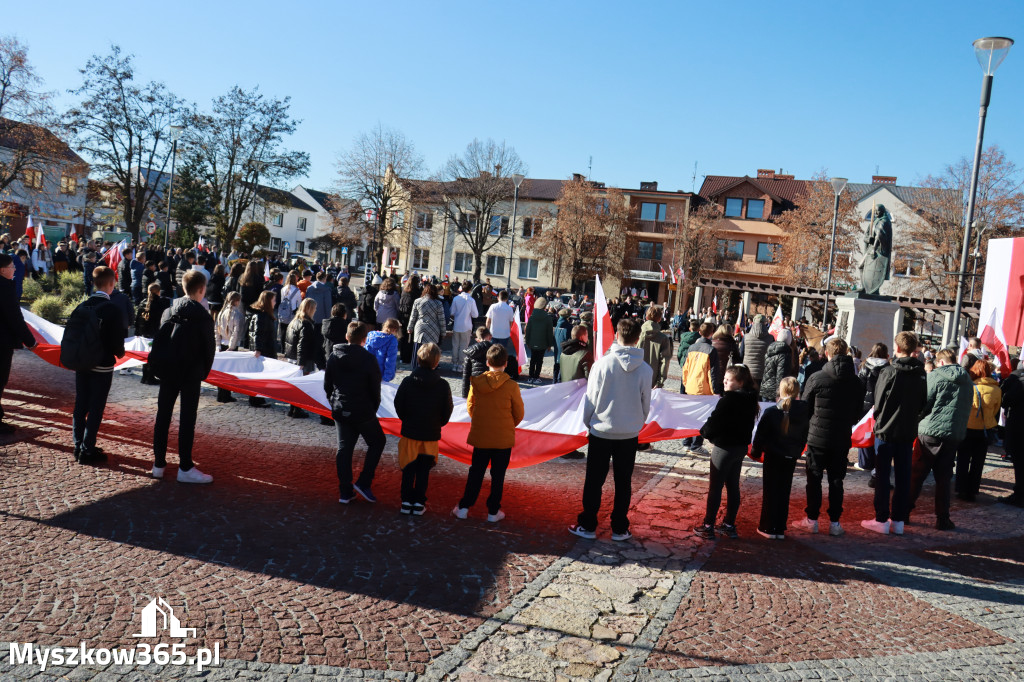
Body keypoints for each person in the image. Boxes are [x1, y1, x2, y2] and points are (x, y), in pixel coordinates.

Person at [568, 319, 652, 541]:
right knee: (623, 482)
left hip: (602, 430)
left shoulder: (602, 365)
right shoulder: (645, 369)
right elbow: (646, 404)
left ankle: (588, 525)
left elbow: (591, 399)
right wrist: (636, 423)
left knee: (594, 480)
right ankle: (620, 527)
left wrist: (589, 423)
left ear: (617, 336)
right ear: (637, 339)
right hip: (629, 433)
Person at [151, 269, 216, 483]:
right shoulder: (202, 317)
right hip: (190, 372)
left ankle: (158, 464)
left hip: (168, 370)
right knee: (187, 419)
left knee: (163, 415)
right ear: (202, 290)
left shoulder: (169, 311)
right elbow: (209, 349)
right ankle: (185, 467)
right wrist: (202, 372)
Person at [795, 337, 862, 536]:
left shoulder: (817, 377)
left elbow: (805, 407)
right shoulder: (856, 382)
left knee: (814, 479)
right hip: (841, 437)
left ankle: (812, 519)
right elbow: (857, 413)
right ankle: (835, 523)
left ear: (828, 354)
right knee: (836, 480)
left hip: (817, 436)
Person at [861, 332, 927, 536]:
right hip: (907, 431)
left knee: (882, 476)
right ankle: (898, 519)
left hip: (886, 430)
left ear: (897, 348)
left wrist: (881, 419)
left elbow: (878, 403)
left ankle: (881, 518)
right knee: (903, 476)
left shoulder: (888, 372)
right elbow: (923, 403)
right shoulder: (921, 373)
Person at [453, 344, 524, 522]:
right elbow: (519, 413)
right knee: (498, 477)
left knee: (475, 473)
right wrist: (507, 425)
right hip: (503, 438)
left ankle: (463, 507)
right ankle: (493, 511)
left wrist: (482, 421)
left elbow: (470, 407)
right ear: (506, 363)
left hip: (481, 436)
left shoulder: (476, 383)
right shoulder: (512, 386)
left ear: (487, 362)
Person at [909, 348, 975, 530]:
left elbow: (924, 402)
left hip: (930, 431)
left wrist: (917, 420)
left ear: (941, 362)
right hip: (953, 434)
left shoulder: (936, 375)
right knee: (944, 479)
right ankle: (943, 518)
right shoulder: (968, 380)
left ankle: (904, 512)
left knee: (916, 474)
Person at [693, 365, 761, 540]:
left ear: (739, 382)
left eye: (728, 379)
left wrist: (705, 433)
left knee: (715, 487)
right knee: (733, 486)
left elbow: (714, 422)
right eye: (724, 378)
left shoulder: (729, 400)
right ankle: (729, 524)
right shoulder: (750, 398)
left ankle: (708, 526)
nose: (724, 382)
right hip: (739, 448)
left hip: (724, 448)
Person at [69, 266, 125, 463]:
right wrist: (120, 353)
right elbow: (117, 342)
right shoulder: (113, 310)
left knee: (81, 404)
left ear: (93, 283)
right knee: (96, 407)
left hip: (82, 363)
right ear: (111, 284)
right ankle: (88, 449)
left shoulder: (82, 306)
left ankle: (78, 445)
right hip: (102, 364)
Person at [325, 321, 384, 504]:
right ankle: (364, 481)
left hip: (341, 408)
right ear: (364, 339)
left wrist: (334, 401)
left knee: (344, 449)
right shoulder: (368, 359)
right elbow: (375, 388)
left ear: (347, 337)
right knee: (377, 442)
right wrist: (372, 407)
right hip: (362, 409)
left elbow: (328, 384)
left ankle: (345, 491)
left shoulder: (334, 356)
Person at [394, 343, 453, 516]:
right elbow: (447, 410)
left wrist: (407, 420)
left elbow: (399, 404)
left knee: (408, 469)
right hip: (430, 434)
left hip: (411, 433)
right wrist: (437, 424)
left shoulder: (407, 381)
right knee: (423, 471)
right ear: (437, 362)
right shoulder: (442, 385)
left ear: (418, 359)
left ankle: (406, 501)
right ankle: (419, 502)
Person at [751, 377, 810, 539]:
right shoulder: (804, 411)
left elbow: (760, 436)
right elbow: (805, 435)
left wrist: (756, 452)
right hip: (790, 455)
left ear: (781, 390)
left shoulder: (772, 412)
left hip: (773, 455)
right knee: (784, 491)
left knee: (771, 491)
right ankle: (779, 527)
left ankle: (768, 527)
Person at [955, 356, 1002, 502]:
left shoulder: (969, 386)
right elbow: (996, 410)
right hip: (984, 430)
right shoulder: (996, 389)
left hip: (967, 428)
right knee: (978, 462)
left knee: (963, 460)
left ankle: (961, 489)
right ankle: (972, 491)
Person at [0, 253, 38, 434]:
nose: (14, 269)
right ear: (2, 270)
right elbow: (14, 317)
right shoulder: (5, 288)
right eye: (12, 267)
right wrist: (30, 340)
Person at [680, 322, 718, 454]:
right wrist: (715, 392)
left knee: (690, 416)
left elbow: (685, 369)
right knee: (702, 418)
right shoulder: (711, 350)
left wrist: (686, 384)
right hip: (703, 388)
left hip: (690, 386)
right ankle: (696, 444)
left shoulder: (691, 348)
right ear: (711, 333)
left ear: (700, 333)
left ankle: (686, 442)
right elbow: (712, 373)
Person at [856, 343, 890, 477]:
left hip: (865, 404)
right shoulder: (888, 368)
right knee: (878, 433)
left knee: (865, 431)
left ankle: (864, 462)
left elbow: (859, 388)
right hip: (880, 405)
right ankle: (876, 460)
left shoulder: (865, 366)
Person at [283, 298, 318, 419]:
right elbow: (302, 344)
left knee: (294, 385)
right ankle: (297, 409)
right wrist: (301, 362)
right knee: (301, 385)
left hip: (293, 357)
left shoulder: (295, 321)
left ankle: (293, 408)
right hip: (302, 358)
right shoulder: (306, 324)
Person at [246, 290, 278, 407]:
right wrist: (258, 349)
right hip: (263, 350)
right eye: (273, 300)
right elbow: (258, 333)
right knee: (259, 375)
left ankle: (258, 398)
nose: (275, 303)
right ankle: (255, 399)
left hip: (265, 348)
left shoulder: (264, 314)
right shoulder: (262, 315)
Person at [999, 358, 1024, 507]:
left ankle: (1020, 495)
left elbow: (1007, 400)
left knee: (1019, 461)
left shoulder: (1020, 381)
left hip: (1019, 426)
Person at [136, 282, 170, 385]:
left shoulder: (143, 302)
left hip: (144, 333)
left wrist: (138, 332)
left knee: (146, 354)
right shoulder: (160, 304)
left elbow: (138, 319)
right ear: (158, 292)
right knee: (153, 356)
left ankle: (145, 376)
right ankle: (150, 376)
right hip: (154, 333)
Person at [215, 291, 245, 403]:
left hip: (222, 344)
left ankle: (221, 394)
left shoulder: (222, 312)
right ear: (237, 301)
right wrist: (232, 347)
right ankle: (226, 395)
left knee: (221, 371)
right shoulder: (236, 314)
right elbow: (236, 332)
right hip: (230, 346)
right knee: (228, 372)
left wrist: (217, 345)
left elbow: (217, 330)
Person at [408, 283, 446, 369]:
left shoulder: (417, 301)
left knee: (418, 349)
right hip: (433, 329)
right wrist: (443, 332)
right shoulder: (438, 303)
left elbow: (413, 316)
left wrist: (410, 327)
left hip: (420, 329)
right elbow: (442, 319)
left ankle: (416, 367)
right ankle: (431, 367)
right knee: (431, 351)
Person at [486, 289, 517, 378]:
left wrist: (487, 331)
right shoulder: (509, 309)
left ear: (498, 297)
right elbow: (511, 323)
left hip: (493, 333)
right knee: (502, 354)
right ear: (507, 299)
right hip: (504, 334)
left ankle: (491, 370)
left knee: (492, 353)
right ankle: (500, 372)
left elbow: (488, 320)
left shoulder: (493, 306)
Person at [639, 306, 673, 389]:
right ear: (659, 319)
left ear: (646, 317)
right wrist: (660, 381)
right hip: (653, 379)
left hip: (636, 377)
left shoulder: (637, 334)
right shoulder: (663, 338)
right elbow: (665, 361)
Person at [524, 296, 554, 383]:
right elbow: (549, 332)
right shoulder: (548, 318)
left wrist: (527, 341)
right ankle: (536, 377)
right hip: (543, 343)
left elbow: (527, 330)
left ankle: (530, 377)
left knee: (532, 359)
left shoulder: (532, 317)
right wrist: (549, 344)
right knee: (539, 360)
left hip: (532, 342)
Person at [759, 329, 795, 402]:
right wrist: (780, 394)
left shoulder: (770, 350)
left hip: (765, 388)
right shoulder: (784, 355)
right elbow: (781, 376)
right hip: (775, 393)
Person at [449, 282, 479, 369]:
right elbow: (475, 315)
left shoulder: (456, 298)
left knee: (455, 345)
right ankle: (461, 364)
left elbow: (452, 312)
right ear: (470, 289)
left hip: (457, 325)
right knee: (464, 346)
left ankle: (454, 364)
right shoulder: (471, 300)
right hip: (466, 325)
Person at [462, 326, 496, 399]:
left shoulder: (471, 352)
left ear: (477, 339)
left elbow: (466, 374)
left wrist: (465, 395)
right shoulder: (495, 350)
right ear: (490, 337)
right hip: (492, 385)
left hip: (476, 385)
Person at [740, 314, 773, 388]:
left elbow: (741, 354)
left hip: (748, 372)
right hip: (764, 373)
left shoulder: (746, 337)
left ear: (753, 323)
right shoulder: (770, 338)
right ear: (765, 323)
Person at [711, 323, 742, 394]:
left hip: (713, 373)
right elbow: (738, 360)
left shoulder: (712, 342)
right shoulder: (732, 344)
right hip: (726, 375)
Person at [552, 308, 572, 383]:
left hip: (557, 348)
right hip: (565, 349)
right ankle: (559, 381)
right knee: (563, 366)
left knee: (556, 364)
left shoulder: (557, 325)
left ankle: (554, 381)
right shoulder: (569, 327)